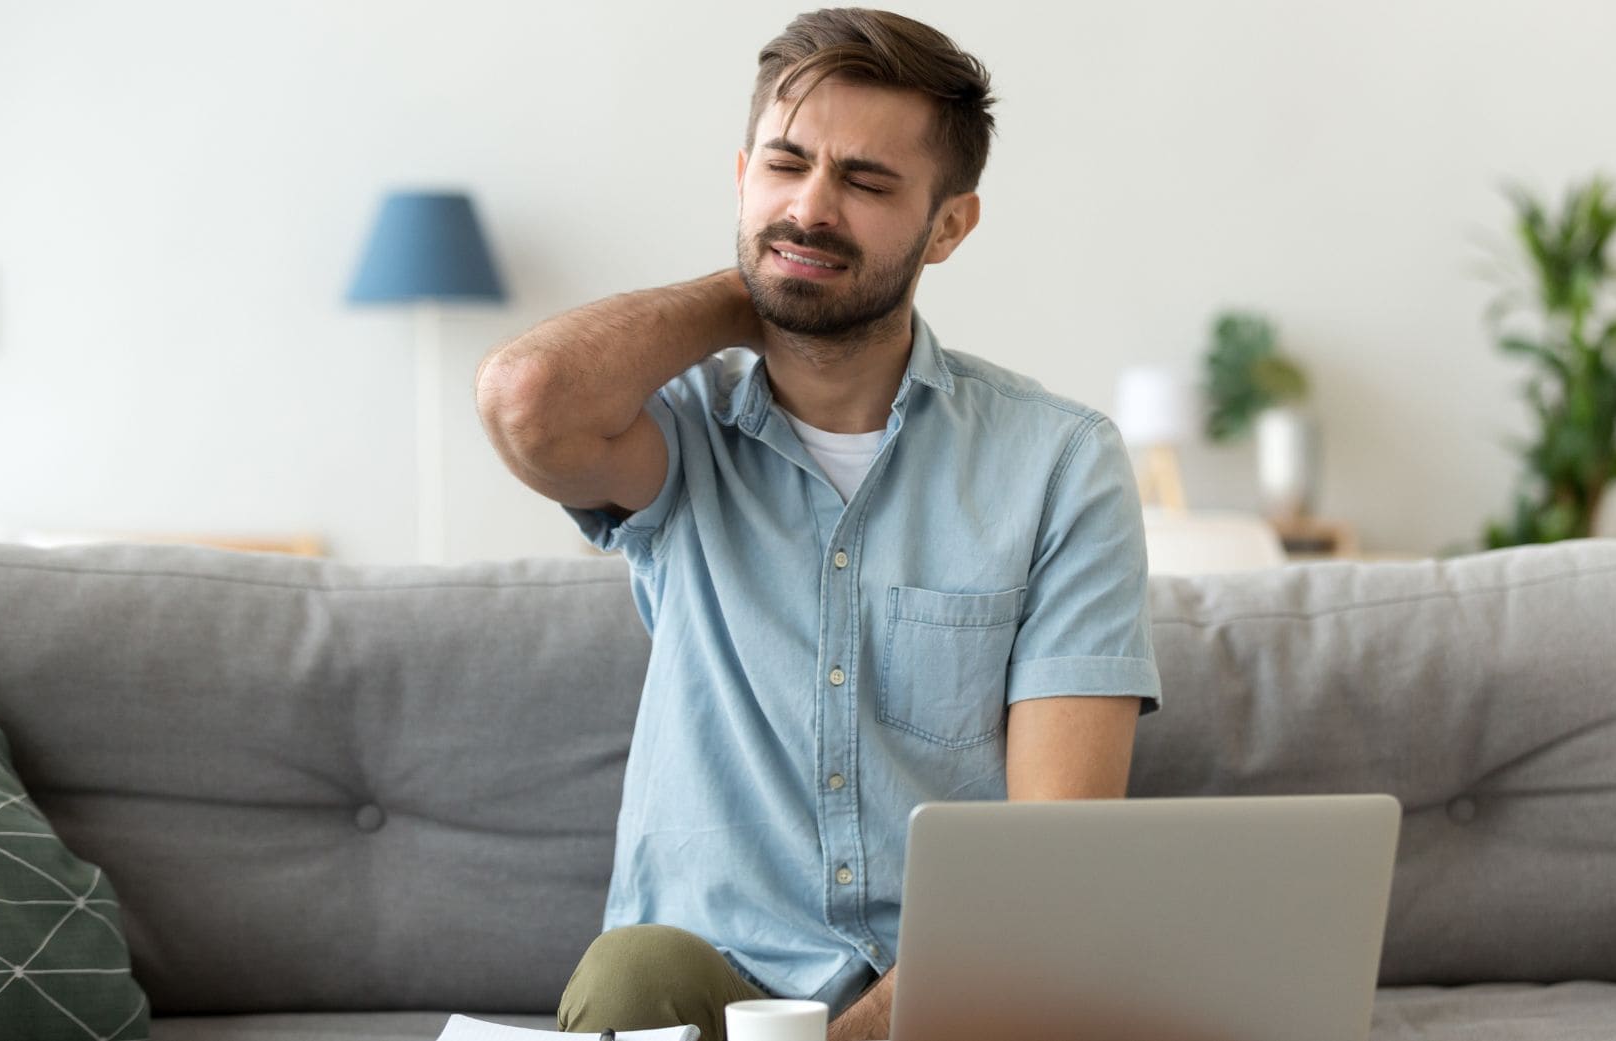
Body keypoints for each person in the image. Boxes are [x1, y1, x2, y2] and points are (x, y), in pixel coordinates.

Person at [474, 9, 1160, 1041]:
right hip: (705, 981)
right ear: (741, 174)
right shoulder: (677, 432)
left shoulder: (1058, 462)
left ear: (947, 227)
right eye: (784, 168)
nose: (811, 206)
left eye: (865, 184)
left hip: (956, 988)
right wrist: (765, 282)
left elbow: (1052, 847)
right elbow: (527, 398)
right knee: (630, 974)